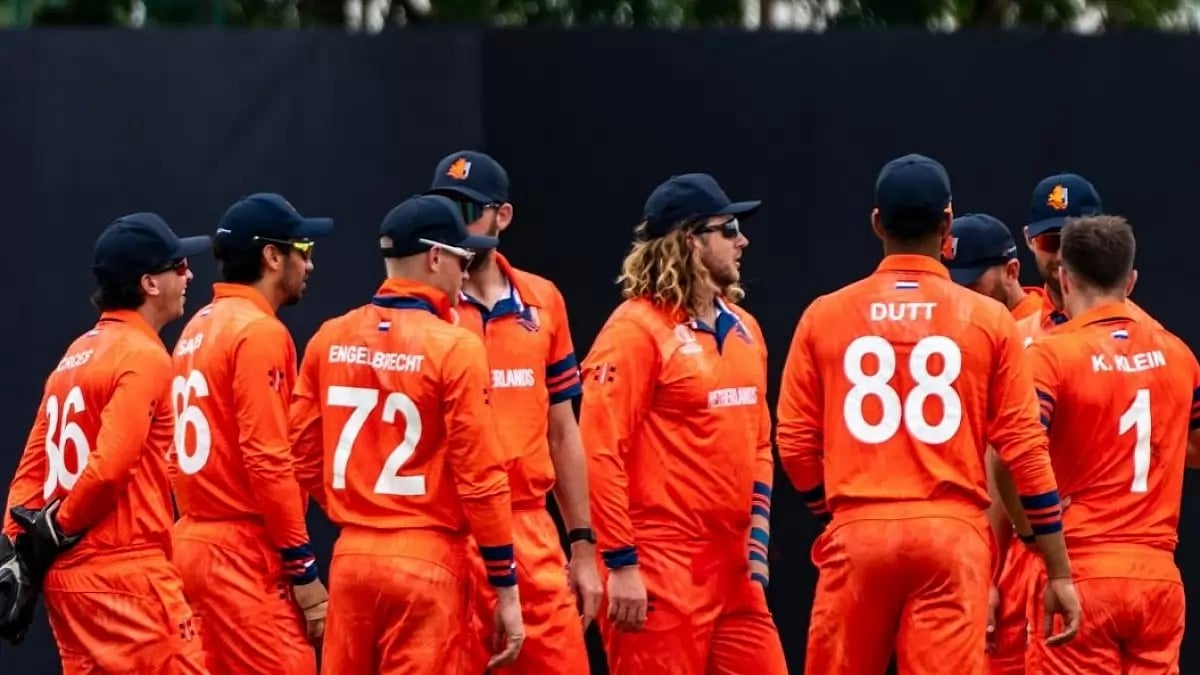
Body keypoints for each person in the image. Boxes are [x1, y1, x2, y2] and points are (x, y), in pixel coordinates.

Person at [775, 154, 1081, 675]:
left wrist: (839, 513)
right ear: (946, 225)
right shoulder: (988, 319)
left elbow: (796, 442)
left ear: (876, 223)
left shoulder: (825, 314)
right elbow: (1024, 451)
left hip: (859, 526)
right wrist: (1058, 570)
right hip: (950, 536)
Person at [288, 194, 525, 674]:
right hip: (426, 561)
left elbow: (302, 449)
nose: (465, 274)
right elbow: (481, 477)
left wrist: (354, 507)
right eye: (461, 259)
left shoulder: (329, 336)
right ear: (435, 257)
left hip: (353, 555)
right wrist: (506, 586)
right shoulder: (456, 346)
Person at [578, 173, 788, 675]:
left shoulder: (744, 328)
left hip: (733, 565)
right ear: (691, 240)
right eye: (729, 228)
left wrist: (755, 538)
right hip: (658, 561)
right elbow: (597, 451)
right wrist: (622, 563)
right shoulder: (634, 331)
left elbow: (760, 438)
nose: (743, 240)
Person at [3, 213, 210, 673]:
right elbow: (111, 465)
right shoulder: (144, 355)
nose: (188, 274)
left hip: (69, 582)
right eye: (178, 266)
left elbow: (31, 469)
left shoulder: (74, 355)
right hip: (127, 571)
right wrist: (57, 528)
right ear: (148, 284)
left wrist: (16, 549)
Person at [426, 150, 601, 674]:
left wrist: (584, 546)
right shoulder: (425, 307)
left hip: (529, 529)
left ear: (502, 216)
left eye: (467, 210)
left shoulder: (542, 300)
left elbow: (563, 431)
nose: (455, 225)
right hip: (450, 533)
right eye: (444, 209)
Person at [1024, 215, 1199, 674]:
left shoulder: (1049, 355)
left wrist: (1039, 546)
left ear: (1063, 277)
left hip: (1081, 569)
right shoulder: (1180, 355)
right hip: (1158, 577)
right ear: (1132, 280)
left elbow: (1017, 453)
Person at [170, 193, 334, 675]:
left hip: (191, 541)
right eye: (303, 247)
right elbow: (267, 458)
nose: (310, 263)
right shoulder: (259, 331)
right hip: (241, 553)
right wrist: (303, 568)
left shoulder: (196, 327)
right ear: (272, 255)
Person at [943, 212, 1042, 672]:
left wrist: (990, 570)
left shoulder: (1044, 332)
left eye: (972, 283)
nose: (962, 296)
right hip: (975, 540)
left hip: (1030, 541)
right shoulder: (953, 337)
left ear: (1012, 270)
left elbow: (1002, 457)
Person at [1020, 173, 1158, 337]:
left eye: (1077, 242)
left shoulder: (1144, 334)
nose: (1061, 256)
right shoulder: (1014, 336)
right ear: (1029, 239)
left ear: (1101, 236)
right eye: (1050, 242)